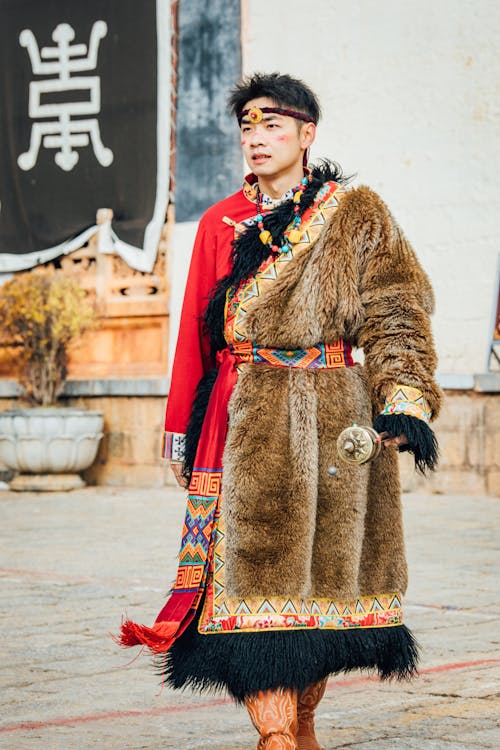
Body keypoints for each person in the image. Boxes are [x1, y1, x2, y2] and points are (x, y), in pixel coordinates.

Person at [117, 72, 441, 750]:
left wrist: (402, 400)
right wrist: (183, 427)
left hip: (336, 422)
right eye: (247, 128)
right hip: (245, 421)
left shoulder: (354, 212)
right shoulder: (219, 222)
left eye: (272, 126)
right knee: (251, 594)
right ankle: (275, 737)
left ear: (306, 135)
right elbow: (197, 341)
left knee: (324, 595)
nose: (256, 139)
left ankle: (303, 727)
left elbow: (395, 306)